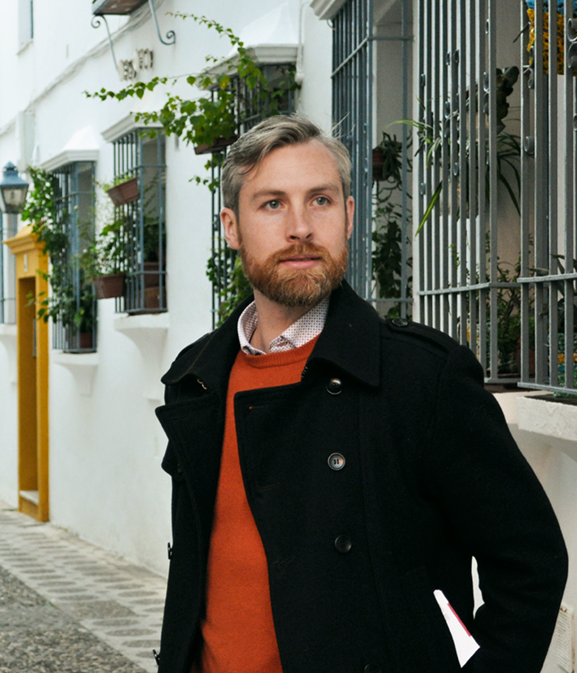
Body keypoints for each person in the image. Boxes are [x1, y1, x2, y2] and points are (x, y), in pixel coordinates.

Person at [154, 114, 568, 673]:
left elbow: (530, 560)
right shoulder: (197, 375)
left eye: (320, 201)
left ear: (349, 216)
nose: (300, 227)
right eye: (272, 204)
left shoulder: (421, 377)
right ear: (232, 227)